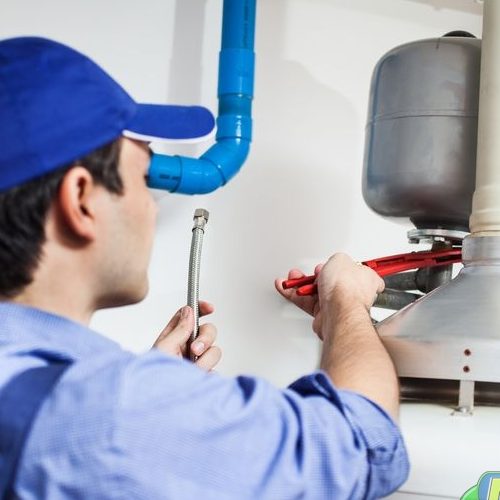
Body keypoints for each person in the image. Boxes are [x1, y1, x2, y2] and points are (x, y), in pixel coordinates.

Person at [0, 36, 409, 499]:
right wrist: (345, 302)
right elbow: (362, 446)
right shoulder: (112, 414)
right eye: (144, 179)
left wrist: (156, 394)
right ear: (80, 200)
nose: (153, 209)